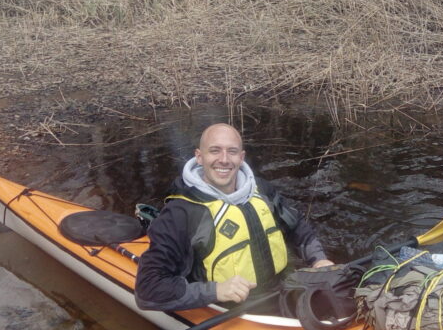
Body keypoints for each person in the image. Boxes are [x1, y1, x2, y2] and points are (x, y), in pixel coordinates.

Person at [135, 123, 333, 311]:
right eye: (214, 150)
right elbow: (148, 287)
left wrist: (318, 260)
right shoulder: (180, 213)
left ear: (241, 157)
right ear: (199, 157)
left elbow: (297, 226)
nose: (224, 159)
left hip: (281, 290)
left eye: (232, 151)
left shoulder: (262, 190)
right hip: (228, 307)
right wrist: (215, 291)